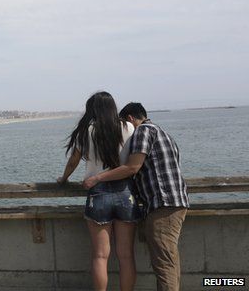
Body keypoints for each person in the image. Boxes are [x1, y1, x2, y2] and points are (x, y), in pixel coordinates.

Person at [84, 103, 189, 291]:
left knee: (163, 263)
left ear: (131, 118)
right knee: (169, 259)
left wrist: (97, 177)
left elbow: (132, 167)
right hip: (177, 201)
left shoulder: (143, 132)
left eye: (125, 122)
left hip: (163, 204)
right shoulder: (165, 134)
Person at [59, 91, 140, 291]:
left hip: (98, 193)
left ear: (93, 109)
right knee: (126, 255)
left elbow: (74, 161)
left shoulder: (87, 130)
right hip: (125, 192)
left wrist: (63, 178)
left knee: (100, 255)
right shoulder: (128, 126)